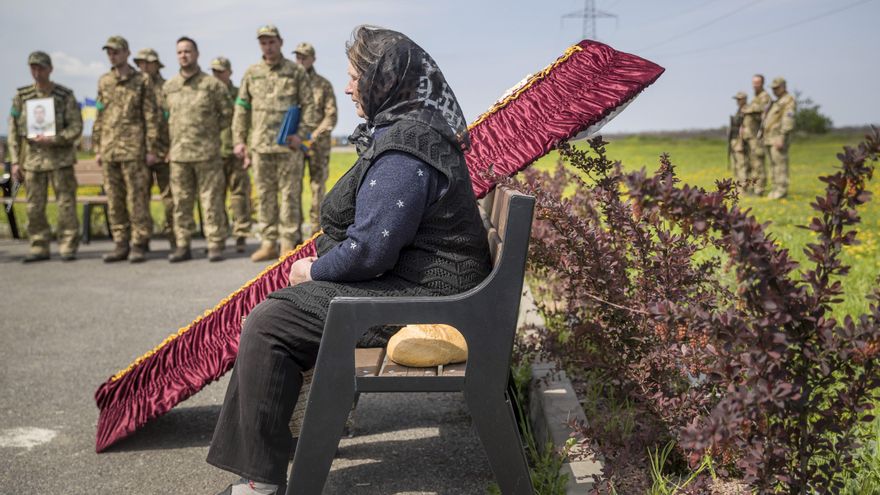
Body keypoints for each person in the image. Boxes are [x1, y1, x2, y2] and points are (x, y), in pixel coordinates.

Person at [206, 26, 491, 494]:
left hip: (432, 300)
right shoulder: (409, 133)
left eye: (356, 75)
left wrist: (312, 271)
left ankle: (258, 483)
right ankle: (278, 452)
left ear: (386, 79)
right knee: (281, 313)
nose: (347, 86)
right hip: (427, 287)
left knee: (271, 321)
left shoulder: (406, 148)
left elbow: (369, 252)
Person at [232, 25, 317, 263]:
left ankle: (288, 244)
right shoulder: (252, 72)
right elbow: (241, 108)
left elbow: (309, 105)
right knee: (265, 194)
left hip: (288, 146)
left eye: (271, 42)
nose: (268, 47)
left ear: (280, 42)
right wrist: (239, 140)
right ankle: (269, 242)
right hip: (260, 146)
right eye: (263, 43)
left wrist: (302, 135)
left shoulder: (295, 71)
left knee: (290, 194)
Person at [8, 51, 83, 262]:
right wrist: (15, 161)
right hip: (33, 161)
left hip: (60, 160)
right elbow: (13, 131)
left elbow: (76, 126)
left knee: (66, 204)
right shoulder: (21, 97)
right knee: (33, 206)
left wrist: (55, 139)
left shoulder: (64, 96)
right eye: (33, 68)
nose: (37, 72)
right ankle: (39, 246)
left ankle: (68, 245)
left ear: (50, 69)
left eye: (41, 67)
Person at [162, 37, 232, 262]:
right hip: (179, 155)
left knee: (211, 200)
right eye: (180, 52)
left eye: (188, 51)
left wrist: (208, 134)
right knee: (181, 202)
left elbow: (227, 115)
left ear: (197, 54)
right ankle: (183, 244)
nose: (184, 55)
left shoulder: (212, 85)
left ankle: (215, 244)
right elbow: (164, 118)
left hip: (207, 154)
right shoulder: (169, 86)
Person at [93, 35, 161, 263]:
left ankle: (139, 243)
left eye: (116, 51)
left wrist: (151, 148)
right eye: (109, 52)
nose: (112, 55)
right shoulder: (104, 81)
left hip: (134, 150)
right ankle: (120, 243)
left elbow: (151, 115)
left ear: (126, 53)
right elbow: (99, 115)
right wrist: (97, 147)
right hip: (109, 149)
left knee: (137, 199)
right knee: (114, 199)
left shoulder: (141, 80)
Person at [134, 47, 175, 249]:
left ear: (156, 64)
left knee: (170, 199)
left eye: (147, 62)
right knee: (140, 198)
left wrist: (170, 148)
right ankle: (141, 240)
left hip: (164, 152)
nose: (143, 66)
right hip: (139, 153)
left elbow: (174, 120)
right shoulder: (133, 87)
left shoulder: (167, 87)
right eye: (140, 63)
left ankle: (174, 238)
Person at [293, 42, 337, 232]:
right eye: (298, 56)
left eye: (304, 56)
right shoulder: (290, 84)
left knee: (317, 186)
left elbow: (331, 115)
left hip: (317, 144)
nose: (300, 60)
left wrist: (312, 136)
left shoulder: (323, 85)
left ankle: (316, 230)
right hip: (294, 144)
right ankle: (293, 230)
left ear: (313, 59)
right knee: (293, 186)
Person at [211, 56, 252, 253]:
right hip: (214, 153)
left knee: (239, 196)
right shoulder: (208, 95)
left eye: (220, 71)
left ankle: (241, 235)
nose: (217, 75)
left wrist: (247, 150)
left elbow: (248, 124)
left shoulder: (238, 94)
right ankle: (217, 237)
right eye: (214, 72)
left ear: (229, 72)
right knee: (215, 197)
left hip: (236, 152)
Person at [762, 77, 797, 200]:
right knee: (772, 165)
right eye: (773, 88)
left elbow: (788, 120)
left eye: (777, 88)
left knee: (780, 165)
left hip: (778, 138)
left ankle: (781, 191)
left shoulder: (788, 100)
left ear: (784, 86)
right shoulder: (777, 101)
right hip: (769, 138)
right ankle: (775, 189)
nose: (774, 91)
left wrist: (782, 136)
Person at [741, 74, 771, 195]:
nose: (755, 85)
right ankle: (754, 187)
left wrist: (747, 109)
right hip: (749, 136)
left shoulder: (764, 96)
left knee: (758, 163)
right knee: (751, 163)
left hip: (757, 136)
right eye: (753, 83)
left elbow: (763, 108)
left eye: (757, 83)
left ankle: (760, 189)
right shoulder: (755, 97)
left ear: (762, 83)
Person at [729, 91, 748, 187]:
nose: (737, 101)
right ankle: (738, 187)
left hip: (741, 141)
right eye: (737, 99)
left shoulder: (746, 110)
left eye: (739, 99)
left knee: (741, 165)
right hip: (734, 139)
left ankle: (743, 188)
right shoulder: (739, 110)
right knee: (735, 165)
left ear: (744, 99)